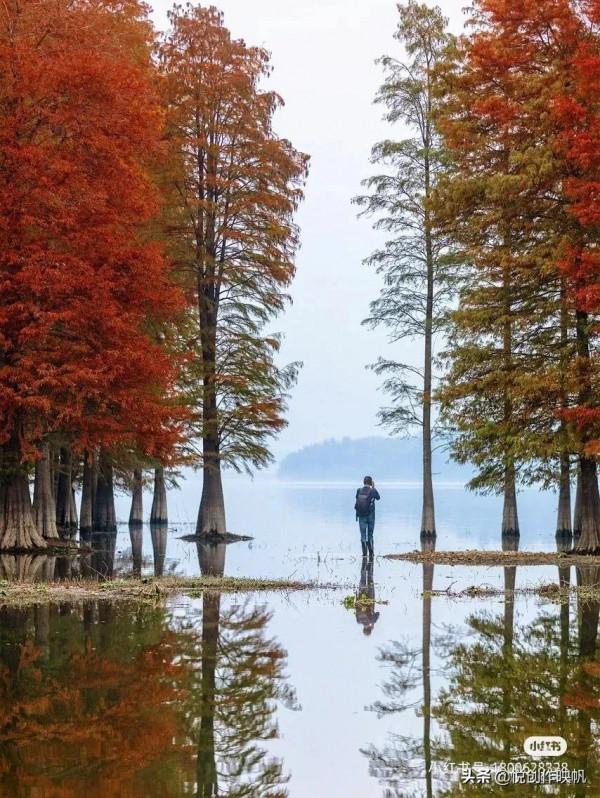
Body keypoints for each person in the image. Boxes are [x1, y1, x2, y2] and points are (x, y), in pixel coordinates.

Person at [354, 475, 380, 559]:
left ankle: (364, 554)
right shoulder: (373, 490)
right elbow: (378, 497)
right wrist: (374, 487)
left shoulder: (359, 490)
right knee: (370, 534)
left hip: (361, 515)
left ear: (363, 482)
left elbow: (357, 500)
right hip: (371, 515)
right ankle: (371, 554)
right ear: (370, 482)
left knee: (363, 535)